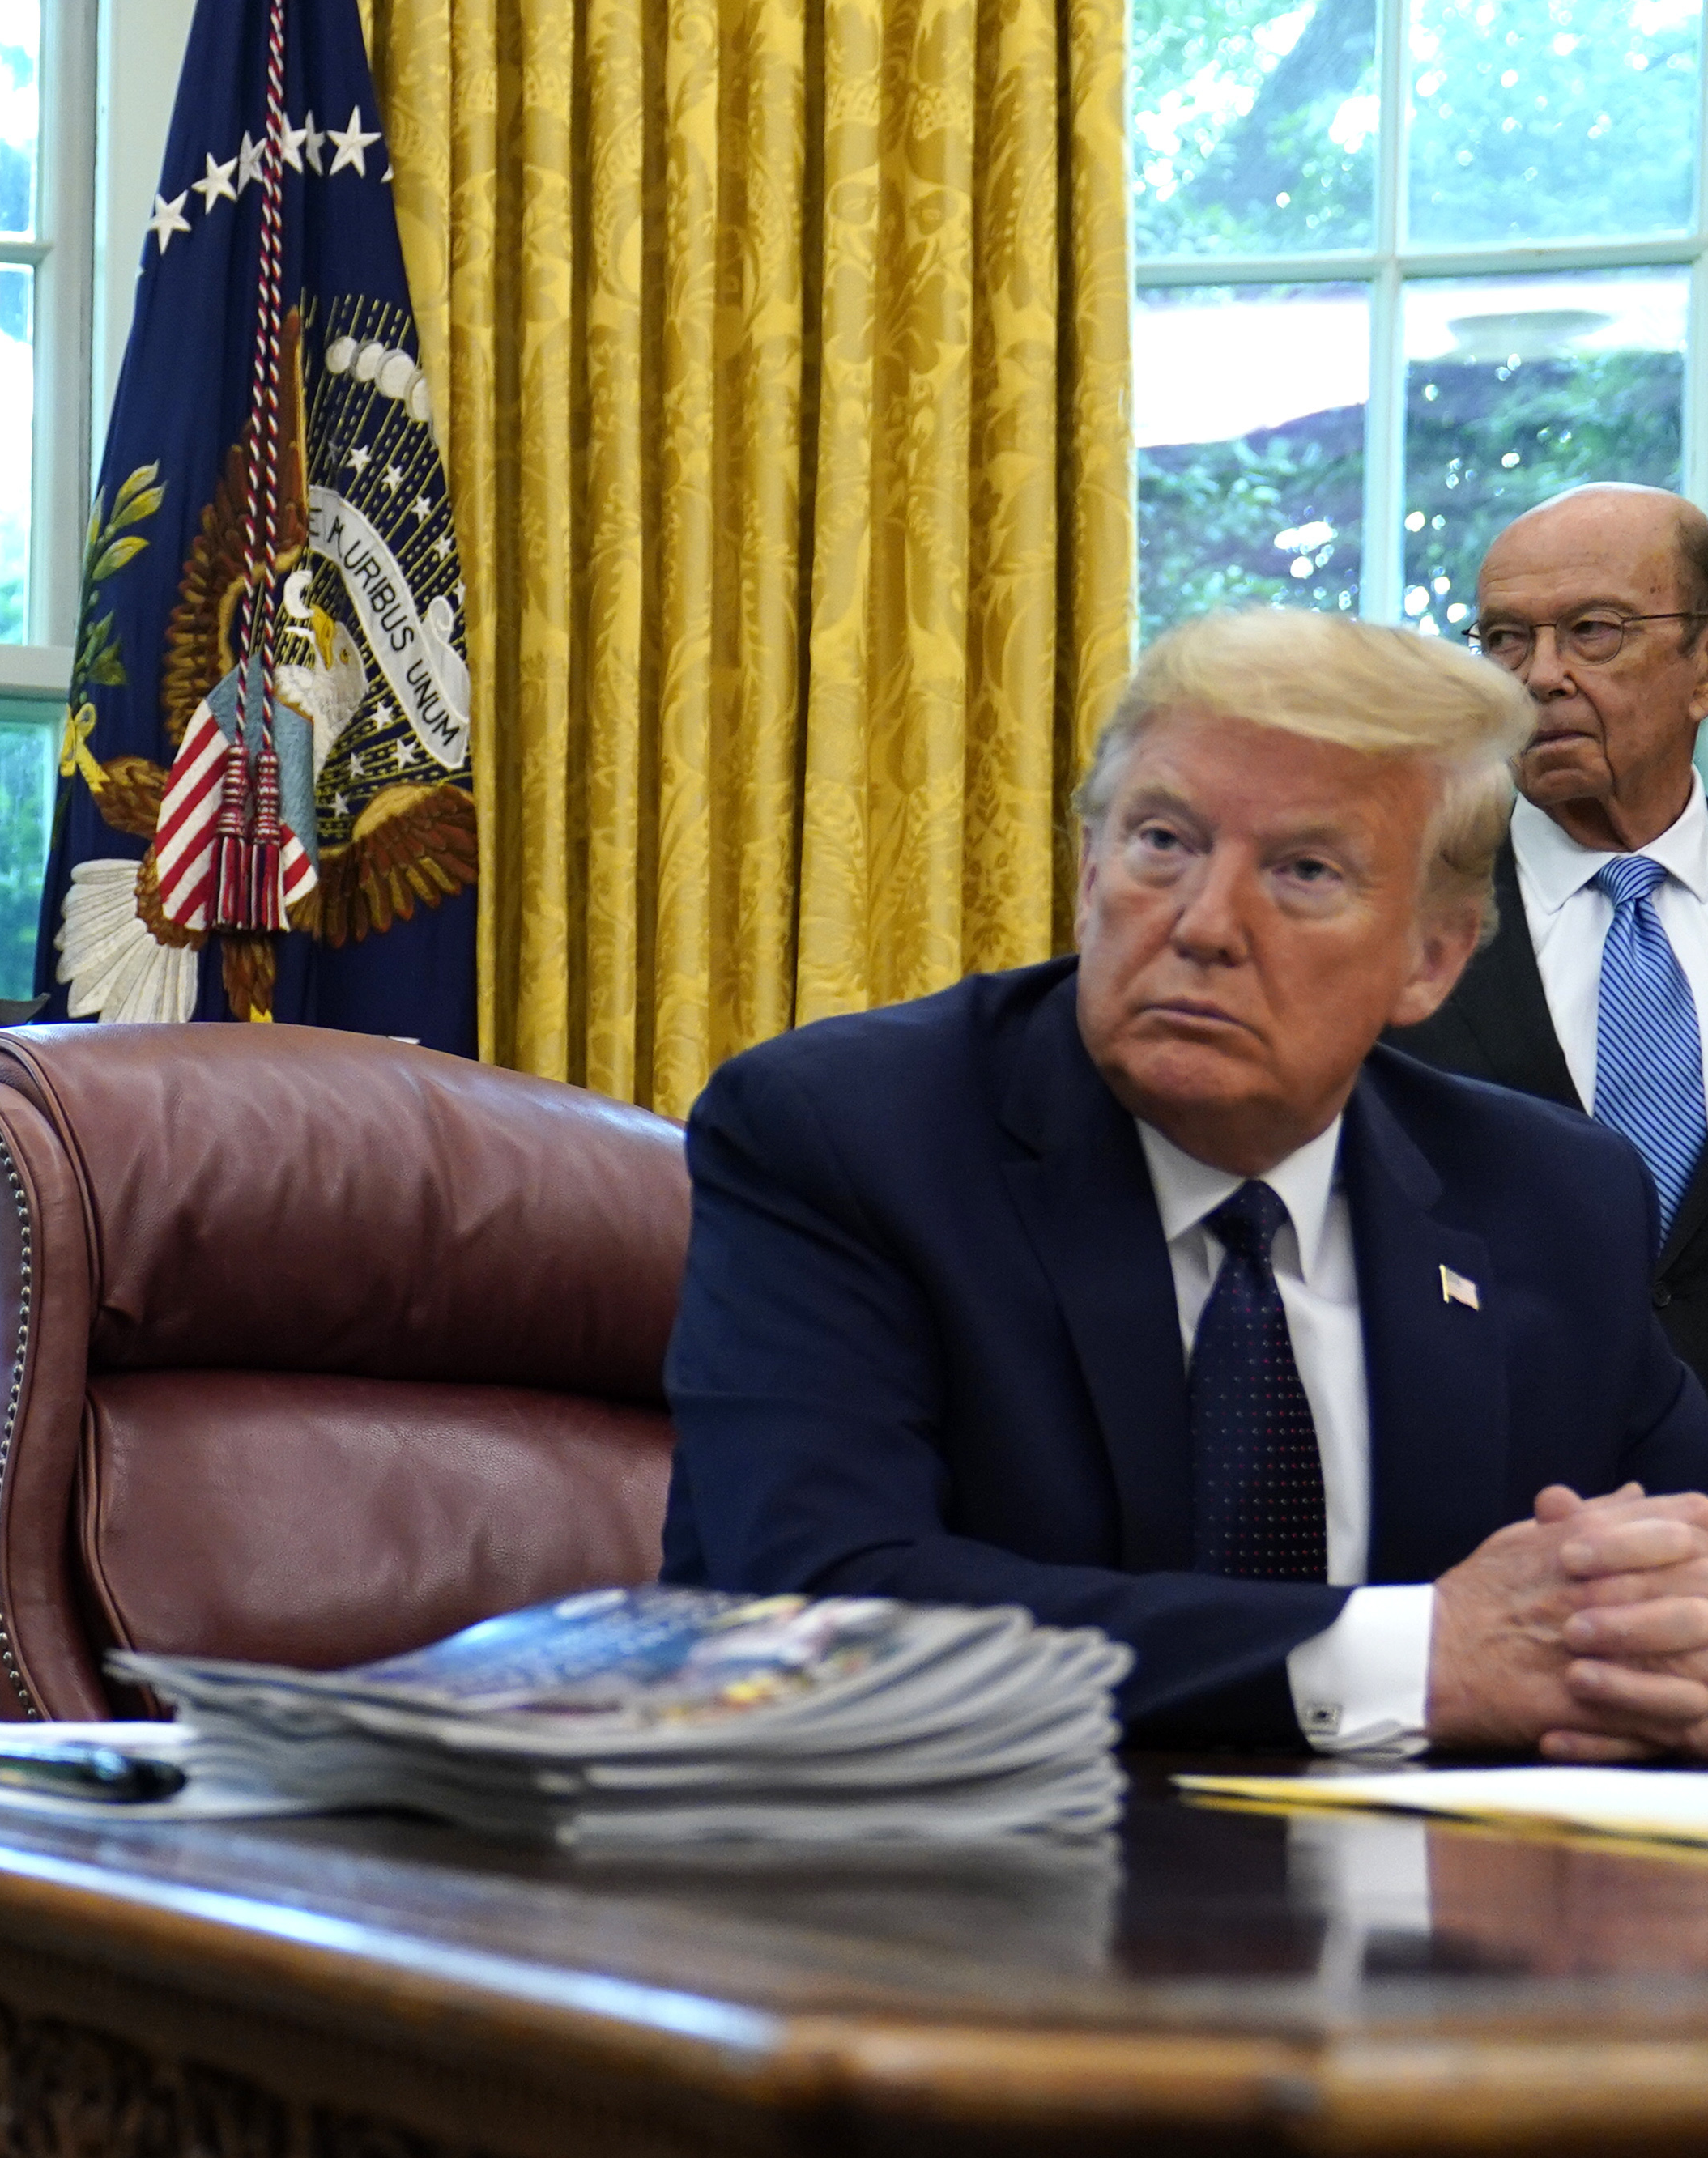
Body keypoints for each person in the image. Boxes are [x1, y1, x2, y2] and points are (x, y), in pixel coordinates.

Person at [663, 602, 1708, 1752]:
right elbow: (817, 1614)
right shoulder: (848, 1136)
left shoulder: (1552, 1196)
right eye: (1165, 843)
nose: (1206, 925)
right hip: (949, 1896)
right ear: (1089, 870)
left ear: (1432, 959)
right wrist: (1412, 1656)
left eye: (1305, 870)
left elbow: (1673, 1564)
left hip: (1449, 1901)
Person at [1398, 481, 1708, 1378]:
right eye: (1504, 638)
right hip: (1493, 1462)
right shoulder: (1392, 913)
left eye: (1593, 630)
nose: (1539, 675)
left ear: (1701, 666)